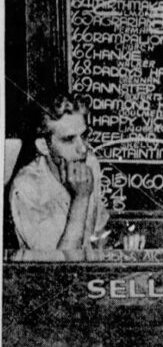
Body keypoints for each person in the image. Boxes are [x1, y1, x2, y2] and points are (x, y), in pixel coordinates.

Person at [9, 92, 145, 252]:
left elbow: (96, 235)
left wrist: (121, 239)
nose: (83, 148)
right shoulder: (26, 188)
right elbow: (60, 267)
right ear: (43, 146)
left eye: (84, 136)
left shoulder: (90, 163)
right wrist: (81, 198)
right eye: (68, 139)